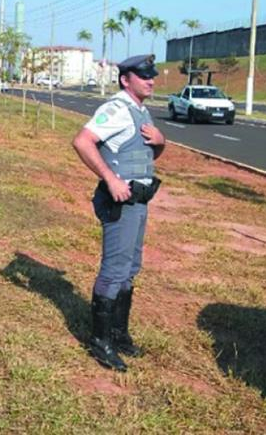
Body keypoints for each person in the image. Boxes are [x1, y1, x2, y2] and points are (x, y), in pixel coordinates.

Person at [71, 54, 166, 372]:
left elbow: (146, 153)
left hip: (139, 200)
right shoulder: (115, 109)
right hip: (121, 202)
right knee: (114, 270)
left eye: (151, 75)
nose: (151, 80)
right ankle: (100, 342)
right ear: (126, 79)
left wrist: (161, 141)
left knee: (130, 267)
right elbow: (83, 141)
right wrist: (110, 179)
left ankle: (118, 332)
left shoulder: (140, 110)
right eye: (143, 76)